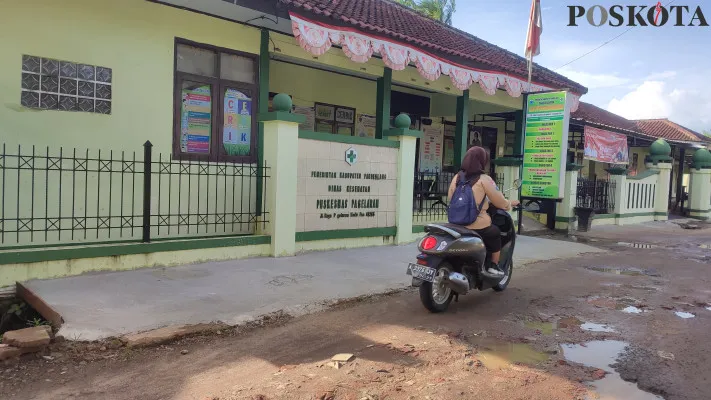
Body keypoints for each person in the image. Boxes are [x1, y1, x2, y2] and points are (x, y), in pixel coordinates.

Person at [447, 147, 520, 277]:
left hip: (456, 224)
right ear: (482, 161)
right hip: (476, 225)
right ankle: (493, 265)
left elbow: (451, 198)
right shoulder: (484, 179)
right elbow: (500, 202)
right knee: (495, 233)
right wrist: (510, 203)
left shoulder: (457, 178)